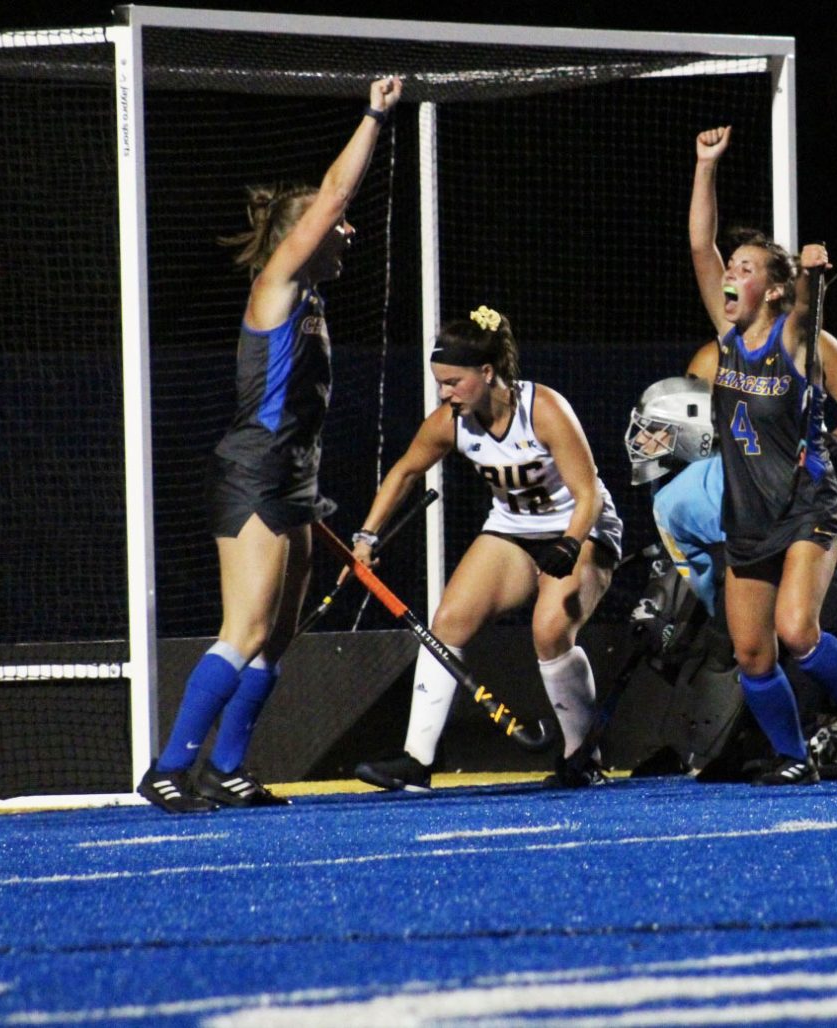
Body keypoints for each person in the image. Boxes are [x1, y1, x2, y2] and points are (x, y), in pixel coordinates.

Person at [137, 77, 404, 814]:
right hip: (253, 473)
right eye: (336, 225)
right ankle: (166, 768)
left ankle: (226, 768)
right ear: (305, 235)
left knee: (279, 635)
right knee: (245, 626)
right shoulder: (277, 285)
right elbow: (331, 196)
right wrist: (375, 116)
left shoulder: (314, 301)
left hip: (292, 478)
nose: (347, 230)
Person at [688, 123, 837, 786]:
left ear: (773, 291)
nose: (731, 274)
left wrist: (810, 276)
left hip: (807, 506)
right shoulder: (726, 340)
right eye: (733, 268)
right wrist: (706, 167)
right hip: (749, 518)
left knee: (797, 632)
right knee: (753, 652)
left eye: (746, 269)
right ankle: (791, 756)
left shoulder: (796, 338)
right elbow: (700, 241)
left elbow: (809, 310)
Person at [351, 306, 624, 792]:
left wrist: (569, 542)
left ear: (488, 372)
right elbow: (405, 471)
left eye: (453, 381)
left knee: (550, 628)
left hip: (581, 527)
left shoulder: (544, 410)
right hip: (513, 529)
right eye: (440, 382)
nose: (444, 393)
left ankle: (583, 755)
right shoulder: (451, 421)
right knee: (449, 620)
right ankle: (417, 761)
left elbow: (590, 494)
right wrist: (367, 537)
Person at [637, 340, 837, 694]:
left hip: (809, 497)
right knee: (759, 640)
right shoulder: (714, 358)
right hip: (743, 510)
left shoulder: (813, 344)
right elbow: (690, 435)